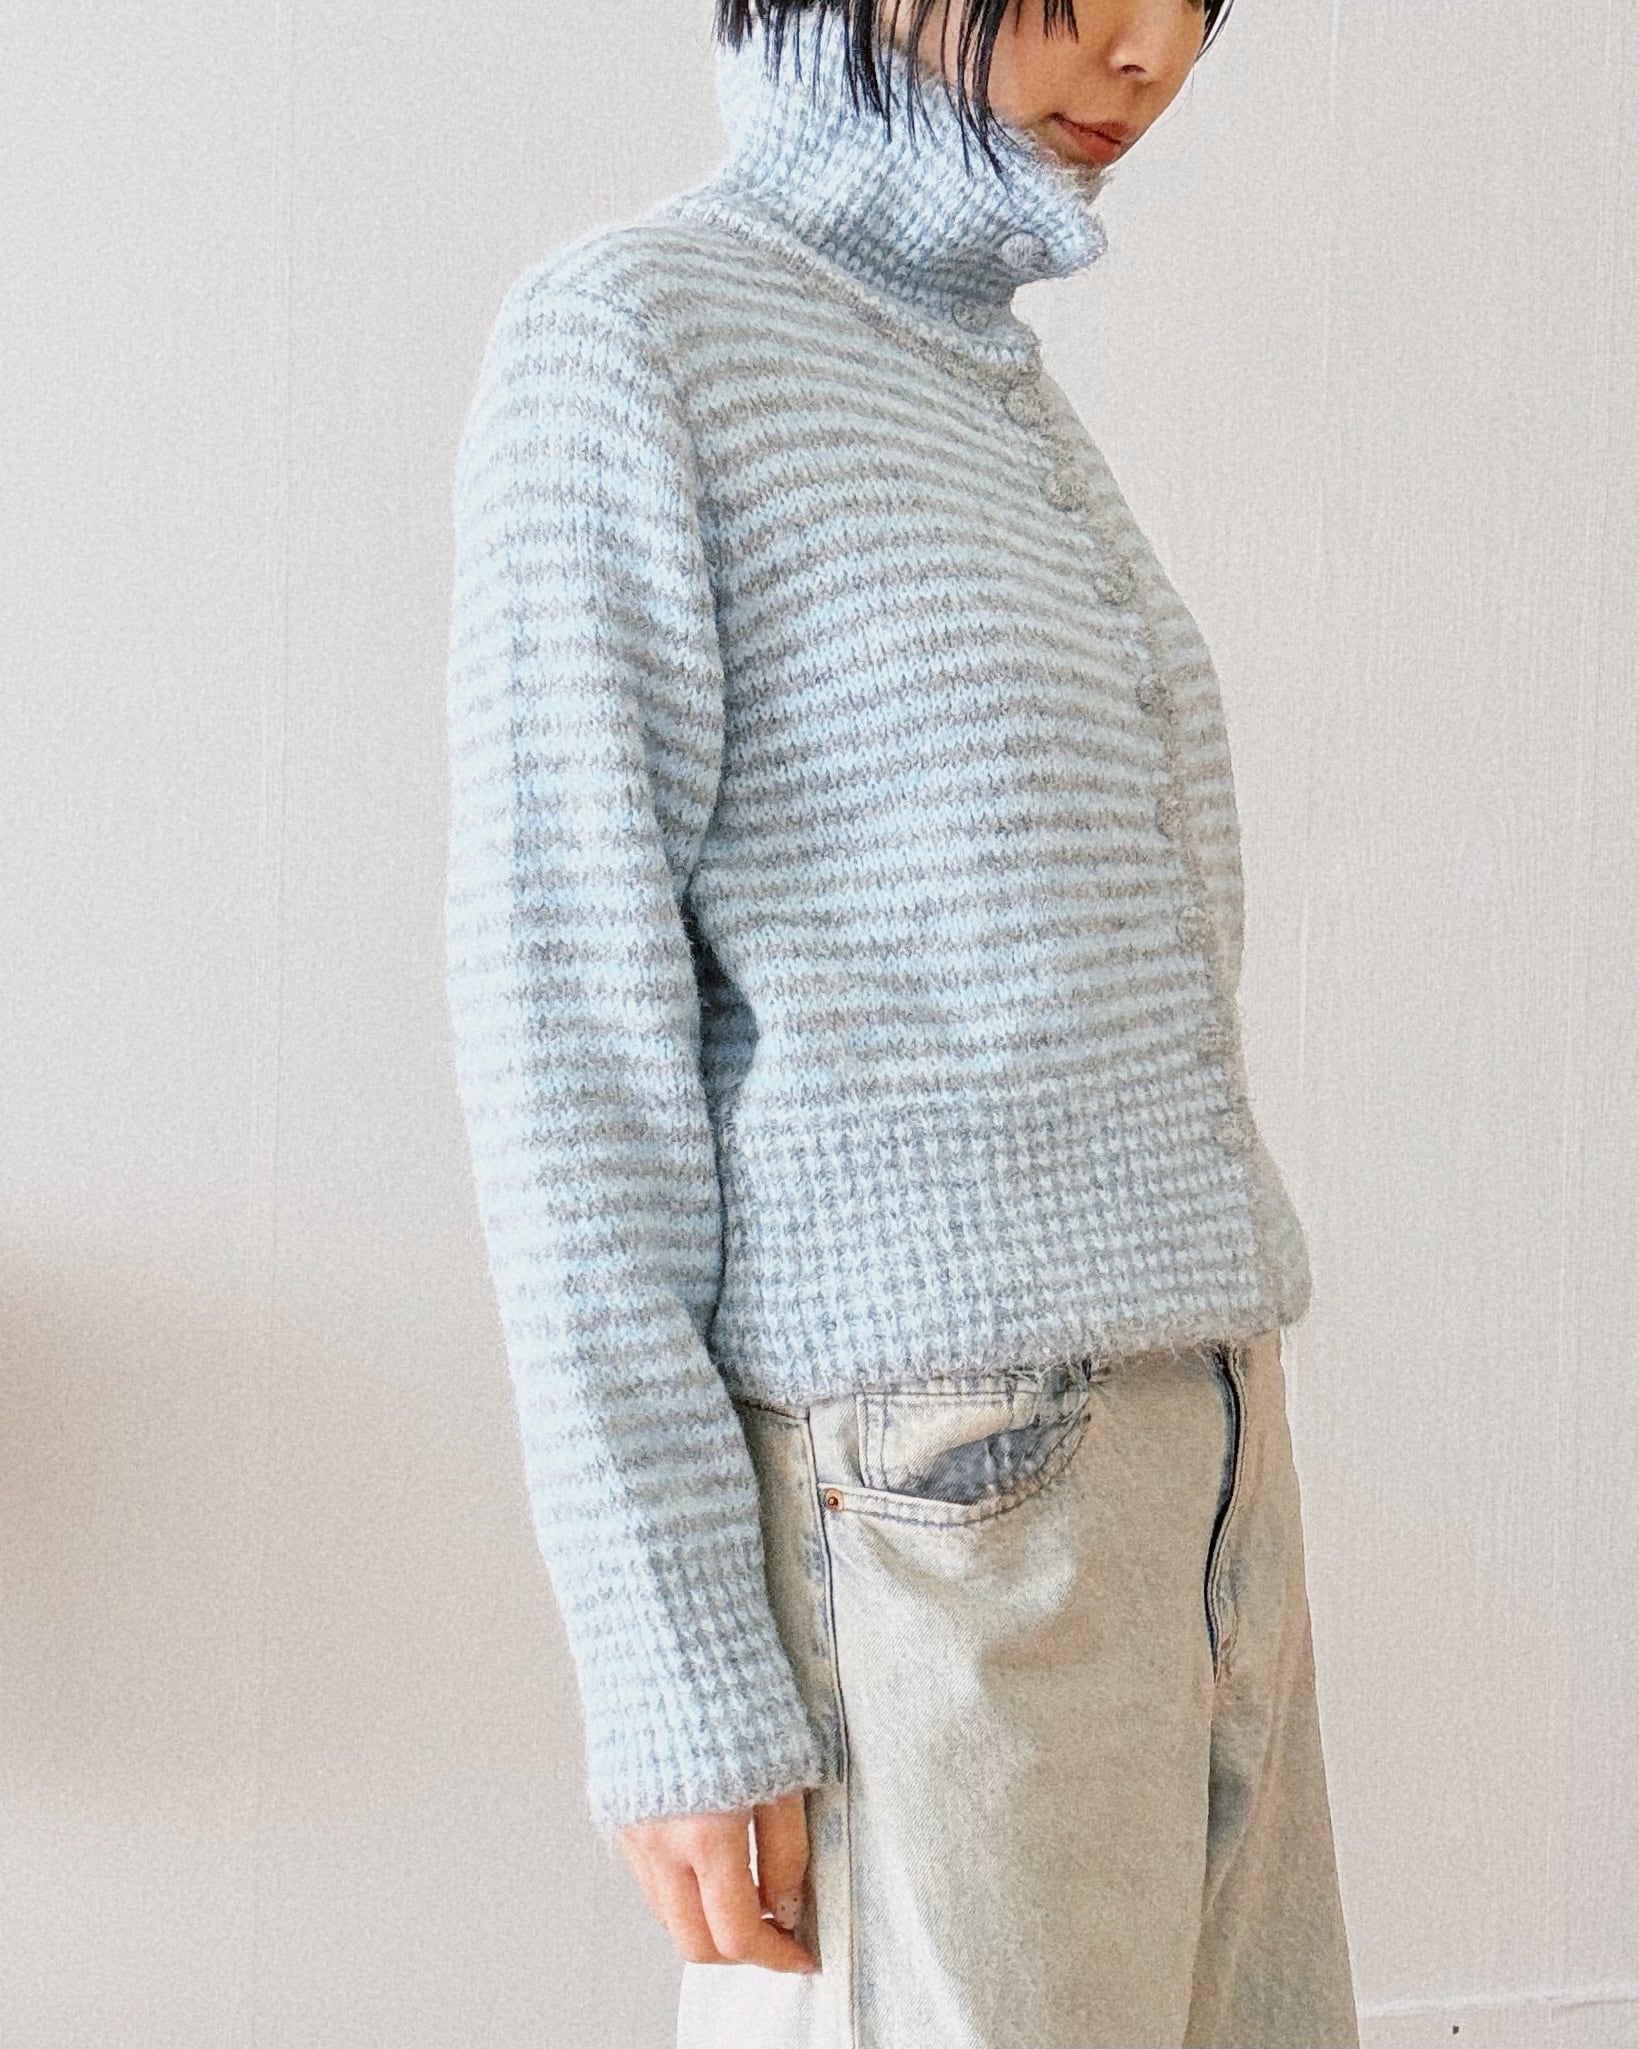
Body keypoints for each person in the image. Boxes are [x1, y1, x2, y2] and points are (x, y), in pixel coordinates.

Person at [443, 0, 1360, 2042]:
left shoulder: (976, 365)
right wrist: (672, 1658)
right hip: (938, 1508)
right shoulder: (637, 335)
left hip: (1201, 1463)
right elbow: (564, 1044)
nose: (1153, 54)